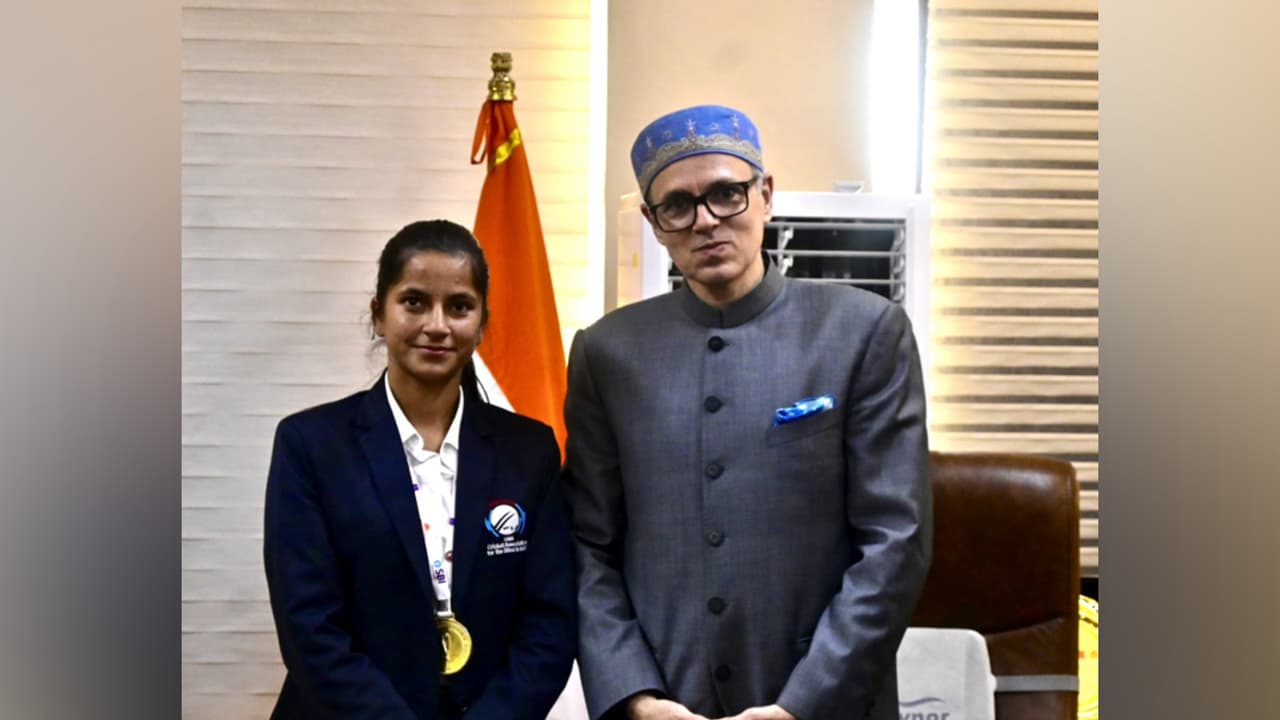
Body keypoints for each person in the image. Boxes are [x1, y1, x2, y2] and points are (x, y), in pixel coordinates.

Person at [563, 105, 932, 720]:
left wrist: (803, 704)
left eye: (726, 194)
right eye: (678, 205)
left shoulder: (863, 332)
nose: (706, 221)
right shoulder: (607, 353)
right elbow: (587, 546)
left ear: (765, 195)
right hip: (667, 703)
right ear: (654, 223)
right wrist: (635, 695)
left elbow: (896, 540)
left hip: (827, 702)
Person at [263, 219, 576, 719]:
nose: (437, 324)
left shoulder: (529, 450)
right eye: (414, 302)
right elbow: (309, 627)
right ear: (379, 315)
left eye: (459, 306)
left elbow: (549, 624)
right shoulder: (311, 445)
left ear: (482, 322)